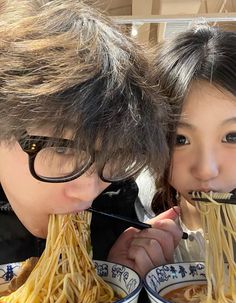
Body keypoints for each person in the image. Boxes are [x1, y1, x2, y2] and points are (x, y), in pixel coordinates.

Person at [0, 0, 184, 286]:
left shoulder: (115, 193)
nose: (87, 194)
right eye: (62, 148)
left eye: (116, 154)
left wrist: (114, 281)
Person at [110, 24, 236, 273]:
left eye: (232, 136)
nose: (206, 170)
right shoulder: (133, 238)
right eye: (180, 139)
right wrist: (132, 287)